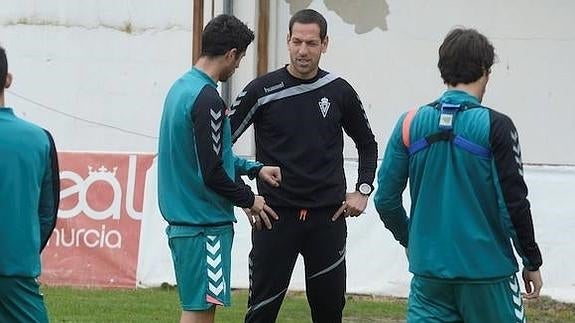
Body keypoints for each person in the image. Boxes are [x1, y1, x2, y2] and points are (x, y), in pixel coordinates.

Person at [374, 27, 543, 322]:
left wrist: (411, 240)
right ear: (484, 70)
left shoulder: (409, 123)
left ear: (443, 69)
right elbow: (513, 202)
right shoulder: (496, 126)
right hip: (488, 274)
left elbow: (385, 199)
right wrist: (531, 259)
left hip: (429, 277)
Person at [229, 9, 378, 323]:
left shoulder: (340, 91)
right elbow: (216, 147)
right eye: (297, 42)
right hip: (274, 219)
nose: (303, 50)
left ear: (325, 44)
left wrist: (363, 190)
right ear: (287, 41)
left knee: (328, 313)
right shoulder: (260, 90)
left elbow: (367, 143)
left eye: (311, 43)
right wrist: (243, 196)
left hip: (328, 219)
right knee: (261, 314)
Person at [157, 14, 282, 323]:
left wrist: (254, 168)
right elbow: (213, 172)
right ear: (231, 54)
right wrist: (250, 199)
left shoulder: (180, 89)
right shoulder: (208, 98)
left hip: (188, 223)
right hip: (204, 226)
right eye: (239, 58)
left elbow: (205, 157)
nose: (238, 66)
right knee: (200, 313)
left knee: (197, 308)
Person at [0, 45, 60, 323]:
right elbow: (47, 213)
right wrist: (22, 247)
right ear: (8, 79)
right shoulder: (39, 139)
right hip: (17, 270)